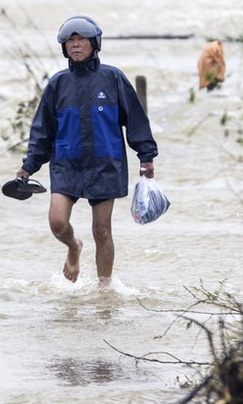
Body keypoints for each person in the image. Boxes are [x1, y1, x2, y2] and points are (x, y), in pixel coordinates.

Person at [15, 15, 158, 286]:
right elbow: (42, 131)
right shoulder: (57, 84)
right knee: (57, 222)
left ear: (94, 43)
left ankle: (104, 289)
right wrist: (28, 166)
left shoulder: (113, 78)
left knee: (102, 231)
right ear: (64, 48)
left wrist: (146, 156)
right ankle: (73, 247)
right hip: (66, 164)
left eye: (81, 39)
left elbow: (136, 120)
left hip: (105, 164)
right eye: (70, 41)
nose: (76, 45)